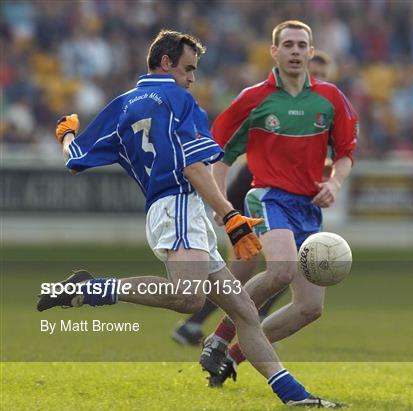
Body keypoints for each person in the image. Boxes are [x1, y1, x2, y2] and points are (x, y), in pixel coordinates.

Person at [36, 29, 341, 408]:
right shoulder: (179, 99)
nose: (192, 78)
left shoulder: (123, 104)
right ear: (166, 64)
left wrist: (65, 133)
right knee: (188, 298)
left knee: (244, 311)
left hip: (164, 209)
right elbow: (195, 167)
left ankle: (295, 396)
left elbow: (74, 160)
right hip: (179, 204)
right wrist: (230, 215)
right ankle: (89, 288)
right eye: (188, 69)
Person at [199, 21, 358, 387]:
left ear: (310, 50)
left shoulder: (331, 98)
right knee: (281, 271)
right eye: (288, 45)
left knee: (309, 308)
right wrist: (221, 204)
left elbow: (347, 152)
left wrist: (334, 182)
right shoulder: (254, 99)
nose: (296, 51)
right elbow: (218, 154)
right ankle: (219, 337)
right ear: (275, 52)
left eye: (302, 45)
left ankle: (232, 356)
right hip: (268, 196)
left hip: (308, 208)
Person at [172, 49, 335, 346]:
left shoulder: (322, 111)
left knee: (277, 274)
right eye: (317, 74)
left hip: (283, 203)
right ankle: (205, 325)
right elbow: (229, 152)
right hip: (254, 195)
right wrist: (224, 205)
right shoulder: (273, 105)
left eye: (325, 76)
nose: (319, 81)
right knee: (251, 272)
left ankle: (215, 327)